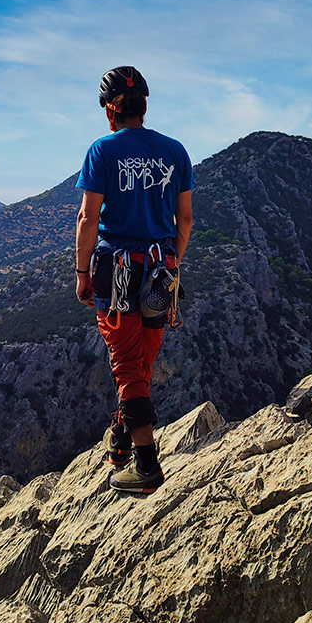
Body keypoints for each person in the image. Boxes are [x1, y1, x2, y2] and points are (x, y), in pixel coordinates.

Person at [75, 66, 194, 493]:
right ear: (144, 105)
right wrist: (173, 265)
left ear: (111, 111)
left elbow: (89, 217)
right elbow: (185, 219)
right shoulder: (175, 152)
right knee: (142, 358)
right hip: (161, 269)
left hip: (118, 271)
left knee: (127, 362)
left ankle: (146, 464)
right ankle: (122, 437)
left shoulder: (102, 150)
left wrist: (82, 271)